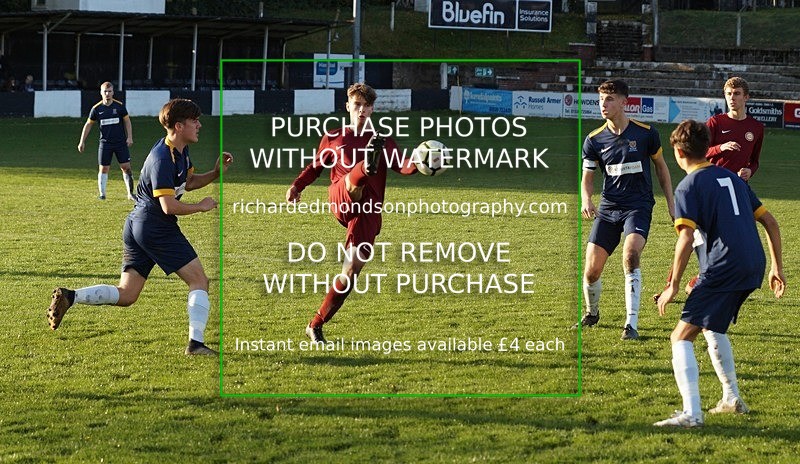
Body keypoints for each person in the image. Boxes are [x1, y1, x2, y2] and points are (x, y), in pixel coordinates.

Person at [48, 98, 233, 356]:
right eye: (194, 121)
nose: (199, 125)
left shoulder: (179, 151)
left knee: (127, 294)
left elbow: (188, 182)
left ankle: (70, 296)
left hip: (139, 224)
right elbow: (168, 206)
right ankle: (196, 344)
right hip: (155, 226)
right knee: (199, 281)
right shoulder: (162, 158)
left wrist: (215, 174)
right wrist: (199, 207)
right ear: (179, 126)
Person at [654, 119, 784, 427]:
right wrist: (777, 268)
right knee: (712, 325)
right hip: (753, 264)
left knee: (680, 337)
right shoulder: (732, 178)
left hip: (726, 266)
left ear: (678, 151)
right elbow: (772, 223)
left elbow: (686, 238)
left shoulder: (689, 186)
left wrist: (672, 285)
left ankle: (691, 414)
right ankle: (731, 398)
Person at [286, 82, 417, 344]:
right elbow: (315, 167)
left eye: (367, 106)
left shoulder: (383, 140)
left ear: (372, 109)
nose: (362, 110)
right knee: (353, 180)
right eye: (357, 105)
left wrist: (420, 163)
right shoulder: (333, 137)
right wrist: (297, 186)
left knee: (350, 273)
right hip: (341, 197)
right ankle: (365, 167)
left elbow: (403, 166)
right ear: (348, 106)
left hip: (367, 210)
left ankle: (316, 324)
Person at [577, 79, 675, 340]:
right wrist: (587, 200)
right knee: (591, 271)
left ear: (624, 102)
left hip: (638, 206)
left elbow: (662, 169)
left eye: (609, 99)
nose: (603, 105)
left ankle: (631, 325)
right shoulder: (594, 140)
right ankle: (592, 313)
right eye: (600, 100)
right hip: (609, 208)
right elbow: (587, 177)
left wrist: (671, 203)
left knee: (630, 255)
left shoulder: (646, 133)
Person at [654, 77, 765, 301]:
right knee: (692, 236)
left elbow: (755, 160)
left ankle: (702, 280)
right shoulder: (716, 123)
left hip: (738, 191)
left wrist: (750, 171)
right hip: (711, 190)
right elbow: (700, 152)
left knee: (733, 241)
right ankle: (670, 286)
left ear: (746, 97)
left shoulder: (756, 128)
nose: (732, 99)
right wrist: (720, 148)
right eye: (728, 94)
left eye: (737, 94)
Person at [77, 81, 135, 200]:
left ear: (113, 92)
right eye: (105, 91)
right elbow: (88, 125)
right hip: (105, 144)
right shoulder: (96, 109)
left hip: (120, 143)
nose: (107, 93)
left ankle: (130, 193)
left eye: (109, 91)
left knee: (126, 167)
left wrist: (129, 137)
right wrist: (82, 141)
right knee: (103, 169)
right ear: (101, 93)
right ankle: (102, 194)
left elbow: (127, 121)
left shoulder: (119, 106)